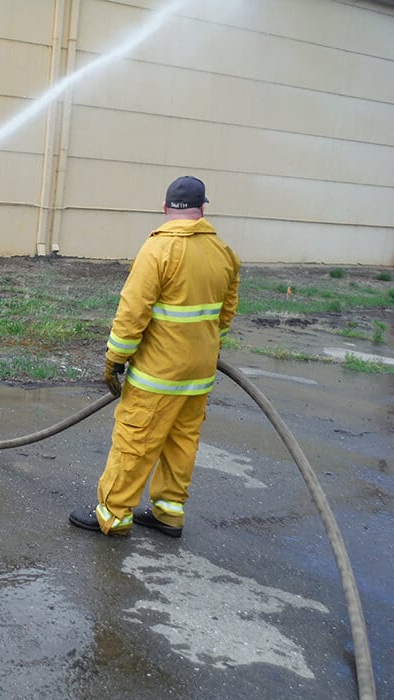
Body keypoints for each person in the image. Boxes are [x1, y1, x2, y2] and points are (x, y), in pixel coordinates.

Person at [69, 176, 240, 538]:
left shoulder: (158, 250)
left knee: (136, 439)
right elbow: (226, 313)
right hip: (199, 374)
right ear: (202, 209)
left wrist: (116, 358)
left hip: (158, 374)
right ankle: (169, 513)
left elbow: (133, 311)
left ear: (166, 208)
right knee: (182, 442)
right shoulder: (223, 252)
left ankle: (113, 515)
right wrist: (208, 347)